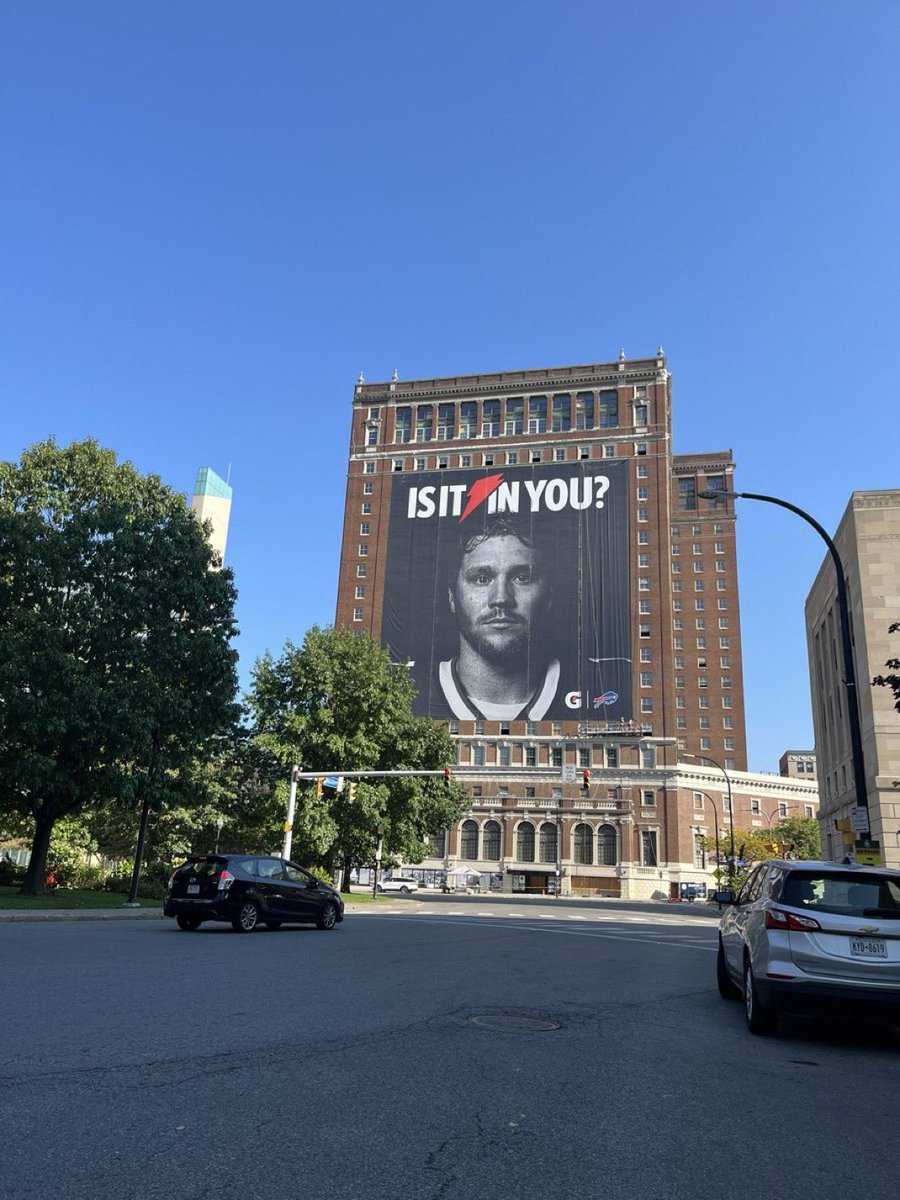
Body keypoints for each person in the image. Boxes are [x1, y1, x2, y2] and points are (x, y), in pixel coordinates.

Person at [436, 518, 559, 720]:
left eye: (522, 578)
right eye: (482, 579)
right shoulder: (406, 690)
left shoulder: (597, 686)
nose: (501, 598)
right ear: (452, 597)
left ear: (549, 596)